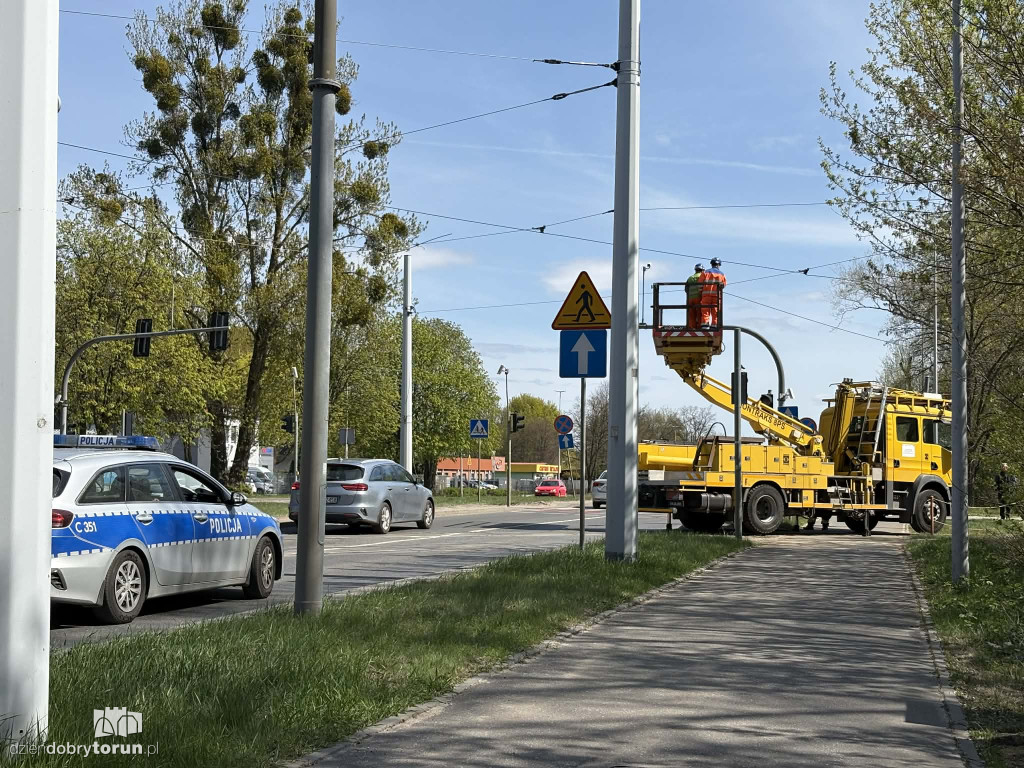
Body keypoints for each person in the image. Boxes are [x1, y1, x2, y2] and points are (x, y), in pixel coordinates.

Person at [700, 257, 727, 327]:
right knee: (715, 311)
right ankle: (714, 325)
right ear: (719, 265)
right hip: (716, 296)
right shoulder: (722, 274)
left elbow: (699, 284)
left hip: (706, 296)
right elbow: (723, 285)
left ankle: (705, 326)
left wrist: (701, 293)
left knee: (705, 311)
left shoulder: (705, 273)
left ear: (711, 264)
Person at [685, 263, 704, 328]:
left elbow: (686, 289)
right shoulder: (702, 277)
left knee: (691, 314)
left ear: (695, 270)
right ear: (702, 270)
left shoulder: (690, 278)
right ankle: (699, 327)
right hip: (699, 298)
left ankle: (692, 327)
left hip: (690, 299)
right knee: (699, 313)